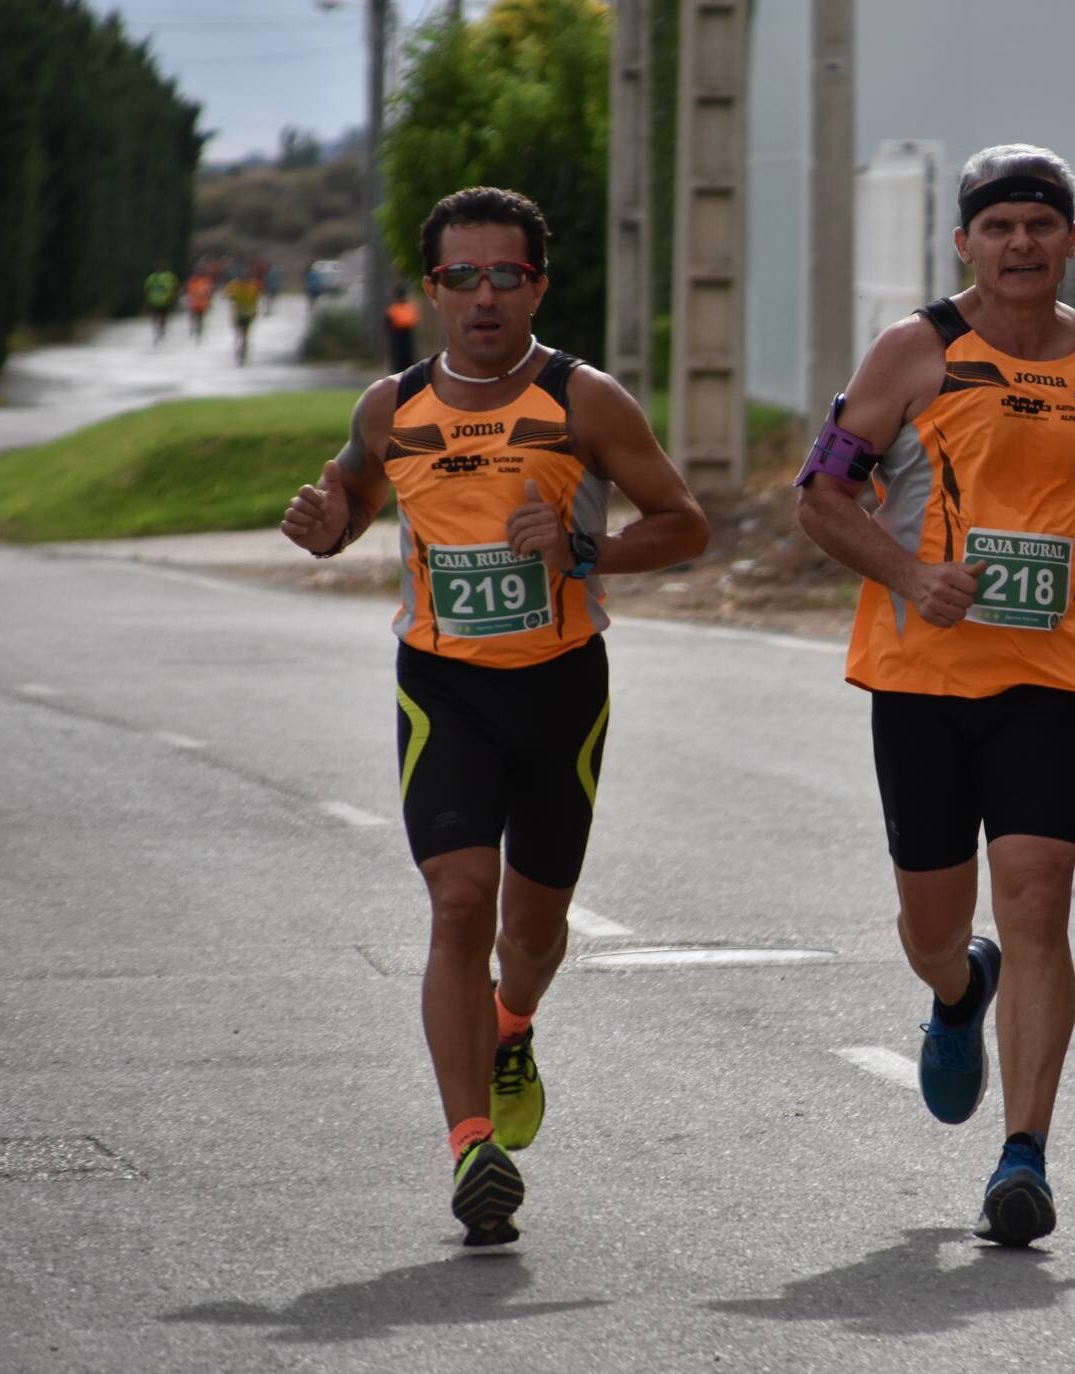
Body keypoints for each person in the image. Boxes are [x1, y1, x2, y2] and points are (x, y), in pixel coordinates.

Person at [278, 185, 709, 1247]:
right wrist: (325, 526)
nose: (483, 296)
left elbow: (686, 526)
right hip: (444, 688)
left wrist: (580, 549)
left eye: (504, 275)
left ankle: (511, 1026)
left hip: (562, 685)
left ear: (537, 286)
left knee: (533, 929)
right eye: (462, 277)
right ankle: (473, 1145)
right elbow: (350, 502)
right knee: (460, 899)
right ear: (430, 291)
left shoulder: (584, 402)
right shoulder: (390, 408)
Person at [795, 143, 1075, 1248]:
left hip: (1050, 677)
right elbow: (820, 495)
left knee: (1040, 897)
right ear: (964, 241)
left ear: (1071, 241)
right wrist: (911, 575)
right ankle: (959, 993)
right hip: (922, 680)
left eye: (1039, 227)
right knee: (933, 927)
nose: (1019, 246)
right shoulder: (915, 349)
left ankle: (1025, 1157)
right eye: (998, 228)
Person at [225, 272, 263, 365]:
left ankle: (240, 351)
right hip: (245, 314)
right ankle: (241, 351)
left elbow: (229, 296)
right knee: (242, 335)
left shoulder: (240, 288)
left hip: (241, 315)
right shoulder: (250, 288)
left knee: (240, 334)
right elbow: (256, 298)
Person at [385, 284, 419, 373]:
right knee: (401, 356)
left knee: (404, 355)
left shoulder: (395, 308)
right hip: (399, 333)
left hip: (404, 333)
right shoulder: (396, 308)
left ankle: (405, 372)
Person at [143, 266, 179, 343]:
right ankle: (160, 328)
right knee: (162, 316)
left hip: (156, 300)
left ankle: (158, 328)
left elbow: (146, 288)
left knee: (158, 316)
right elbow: (174, 287)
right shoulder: (167, 277)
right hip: (163, 300)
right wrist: (172, 297)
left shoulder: (151, 277)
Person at [185, 270, 214, 342]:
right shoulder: (192, 281)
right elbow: (188, 292)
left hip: (202, 304)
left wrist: (209, 301)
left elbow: (209, 292)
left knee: (200, 319)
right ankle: (194, 329)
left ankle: (198, 331)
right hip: (194, 304)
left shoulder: (206, 281)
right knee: (194, 317)